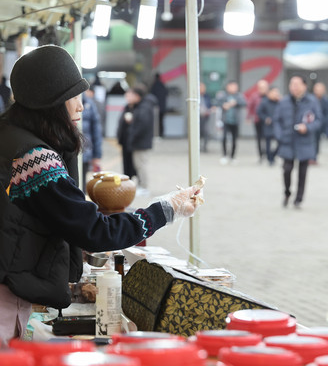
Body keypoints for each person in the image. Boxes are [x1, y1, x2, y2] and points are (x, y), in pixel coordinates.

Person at [0, 45, 203, 343]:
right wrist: (167, 208)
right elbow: (96, 231)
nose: (81, 106)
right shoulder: (34, 159)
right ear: (52, 102)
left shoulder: (8, 136)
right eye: (74, 96)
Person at [273, 75, 321, 208]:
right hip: (287, 141)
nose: (294, 87)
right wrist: (279, 135)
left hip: (304, 141)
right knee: (286, 169)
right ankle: (287, 192)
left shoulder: (312, 101)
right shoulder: (283, 102)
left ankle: (299, 199)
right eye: (292, 84)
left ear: (304, 86)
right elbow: (276, 120)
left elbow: (318, 121)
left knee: (303, 172)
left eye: (297, 84)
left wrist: (308, 127)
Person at [117, 84, 156, 195]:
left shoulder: (144, 107)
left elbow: (142, 126)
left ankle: (144, 187)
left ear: (137, 96)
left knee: (140, 165)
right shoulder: (131, 106)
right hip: (133, 143)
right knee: (134, 165)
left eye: (130, 94)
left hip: (140, 143)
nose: (127, 96)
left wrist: (132, 135)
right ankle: (137, 185)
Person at [215, 81, 246, 165]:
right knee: (224, 138)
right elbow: (217, 103)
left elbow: (244, 103)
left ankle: (232, 156)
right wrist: (224, 105)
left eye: (235, 87)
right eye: (232, 86)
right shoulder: (223, 95)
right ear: (228, 87)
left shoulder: (239, 95)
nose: (234, 88)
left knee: (234, 139)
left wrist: (235, 103)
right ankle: (224, 155)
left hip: (235, 121)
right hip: (225, 120)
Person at [81, 85, 103, 192]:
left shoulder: (89, 104)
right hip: (68, 151)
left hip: (84, 151)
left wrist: (97, 155)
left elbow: (96, 132)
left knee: (82, 182)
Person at [257, 86, 281, 166]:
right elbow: (259, 112)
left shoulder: (280, 102)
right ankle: (269, 158)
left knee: (280, 142)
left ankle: (273, 155)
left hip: (278, 126)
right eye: (274, 92)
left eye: (277, 92)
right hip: (268, 125)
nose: (276, 94)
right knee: (268, 143)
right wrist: (265, 118)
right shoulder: (264, 102)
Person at [246, 79, 268, 163]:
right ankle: (261, 155)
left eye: (264, 87)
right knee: (259, 138)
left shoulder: (269, 96)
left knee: (267, 138)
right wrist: (248, 117)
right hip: (257, 120)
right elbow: (250, 107)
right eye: (261, 87)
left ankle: (267, 154)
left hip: (267, 121)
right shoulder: (254, 96)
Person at [312, 81, 328, 164]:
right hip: (311, 125)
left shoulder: (325, 101)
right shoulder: (310, 100)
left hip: (320, 125)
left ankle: (314, 157)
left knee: (317, 142)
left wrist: (322, 122)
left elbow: (327, 114)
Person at [150, 73, 169, 138]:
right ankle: (161, 134)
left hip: (156, 107)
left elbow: (152, 95)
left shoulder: (154, 85)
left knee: (156, 121)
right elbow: (166, 93)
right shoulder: (162, 85)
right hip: (163, 107)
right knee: (161, 121)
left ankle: (156, 134)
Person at [200, 82, 214, 153]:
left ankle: (204, 146)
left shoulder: (207, 96)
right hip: (198, 116)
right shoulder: (195, 97)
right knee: (198, 132)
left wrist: (210, 110)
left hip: (205, 116)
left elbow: (211, 105)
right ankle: (197, 146)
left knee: (206, 131)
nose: (202, 89)